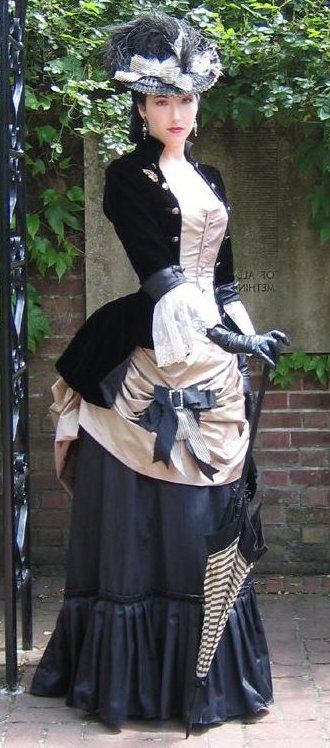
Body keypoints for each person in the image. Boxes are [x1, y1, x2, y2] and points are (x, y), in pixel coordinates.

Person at [31, 12, 289, 731]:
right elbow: (165, 280)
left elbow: (224, 282)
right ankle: (130, 672)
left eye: (187, 100)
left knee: (207, 519)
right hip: (150, 343)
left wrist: (246, 332)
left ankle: (202, 663)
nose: (178, 114)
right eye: (163, 101)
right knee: (147, 519)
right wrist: (218, 335)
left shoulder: (209, 176)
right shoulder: (125, 176)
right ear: (141, 109)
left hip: (208, 343)